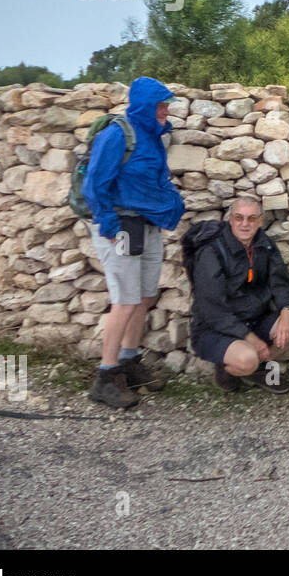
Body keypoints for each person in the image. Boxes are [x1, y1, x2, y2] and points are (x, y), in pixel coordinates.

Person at [82, 76, 187, 409]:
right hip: (122, 227)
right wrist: (109, 224)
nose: (165, 110)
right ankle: (106, 376)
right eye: (160, 104)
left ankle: (128, 362)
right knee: (125, 300)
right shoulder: (117, 134)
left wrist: (169, 200)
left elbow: (156, 178)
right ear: (144, 105)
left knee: (143, 296)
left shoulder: (153, 135)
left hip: (148, 226)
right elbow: (94, 183)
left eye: (166, 104)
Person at [189, 197, 289, 391]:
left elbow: (280, 281)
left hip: (255, 320)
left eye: (251, 218)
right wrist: (250, 338)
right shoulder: (212, 251)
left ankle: (257, 368)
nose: (244, 224)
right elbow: (212, 309)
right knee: (247, 358)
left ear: (260, 220)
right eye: (239, 217)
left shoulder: (263, 244)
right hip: (216, 329)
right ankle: (232, 369)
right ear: (230, 219)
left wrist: (286, 309)